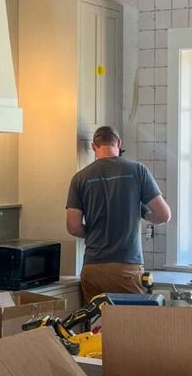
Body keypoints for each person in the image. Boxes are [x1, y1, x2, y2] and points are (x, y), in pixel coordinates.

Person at [66, 126, 171, 302]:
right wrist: (143, 213)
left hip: (92, 268)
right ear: (119, 143)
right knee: (128, 326)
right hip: (125, 268)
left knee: (97, 326)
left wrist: (95, 233)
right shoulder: (137, 171)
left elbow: (73, 226)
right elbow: (163, 215)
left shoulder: (80, 178)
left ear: (94, 146)